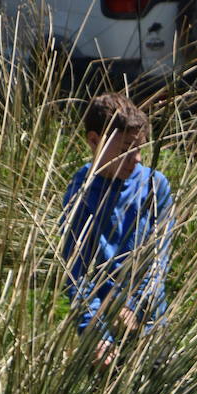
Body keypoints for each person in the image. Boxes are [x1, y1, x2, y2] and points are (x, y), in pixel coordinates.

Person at [61, 92, 173, 366]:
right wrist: (96, 331)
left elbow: (159, 257)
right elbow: (76, 271)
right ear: (94, 140)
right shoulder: (81, 194)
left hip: (150, 321)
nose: (135, 158)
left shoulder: (154, 186)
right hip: (103, 330)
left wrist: (134, 305)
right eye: (125, 149)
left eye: (139, 148)